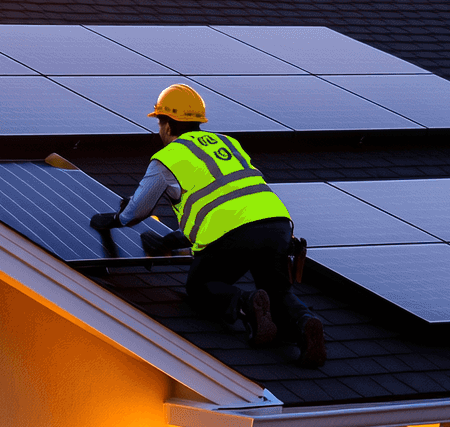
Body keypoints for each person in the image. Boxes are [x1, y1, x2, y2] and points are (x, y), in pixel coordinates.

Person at [90, 83, 326, 368]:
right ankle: (305, 322)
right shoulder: (227, 142)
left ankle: (246, 302)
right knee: (278, 290)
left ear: (166, 125)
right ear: (198, 122)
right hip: (276, 224)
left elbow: (139, 209)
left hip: (232, 234)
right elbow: (221, 202)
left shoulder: (168, 158)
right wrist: (172, 240)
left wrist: (116, 219)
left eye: (159, 123)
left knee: (201, 285)